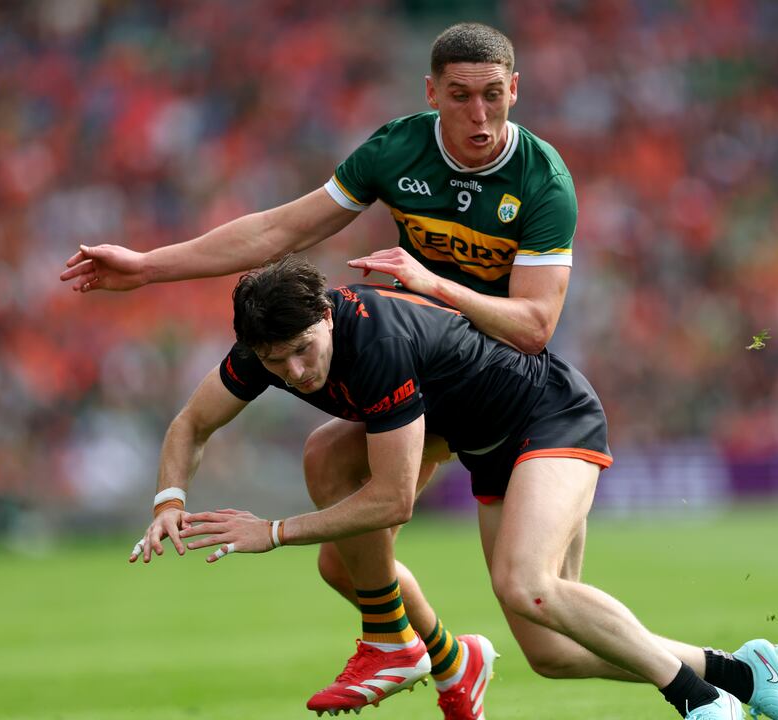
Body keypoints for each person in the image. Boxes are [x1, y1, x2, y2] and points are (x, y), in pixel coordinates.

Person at [86, 21, 577, 720]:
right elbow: (278, 230)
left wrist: (432, 286)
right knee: (345, 555)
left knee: (554, 642)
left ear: (515, 90)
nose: (480, 116)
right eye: (461, 96)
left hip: (501, 384)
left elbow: (534, 327)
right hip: (420, 368)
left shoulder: (542, 179)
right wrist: (147, 267)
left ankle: (721, 676)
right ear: (431, 92)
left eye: (494, 96)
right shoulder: (397, 150)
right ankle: (433, 654)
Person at [158, 255, 778, 720]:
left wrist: (272, 532)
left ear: (326, 315)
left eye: (303, 349)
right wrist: (169, 501)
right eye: (276, 363)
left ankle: (700, 701)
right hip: (483, 445)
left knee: (528, 586)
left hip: (550, 416)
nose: (296, 372)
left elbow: (392, 500)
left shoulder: (375, 342)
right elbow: (191, 424)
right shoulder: (265, 348)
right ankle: (743, 673)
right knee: (551, 653)